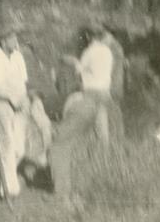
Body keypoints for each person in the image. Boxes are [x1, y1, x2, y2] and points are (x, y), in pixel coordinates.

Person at [0, 21, 50, 203]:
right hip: (2, 108)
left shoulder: (18, 57)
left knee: (20, 147)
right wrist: (7, 97)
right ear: (3, 41)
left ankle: (6, 178)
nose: (16, 40)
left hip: (21, 106)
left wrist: (30, 101)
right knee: (7, 147)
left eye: (16, 37)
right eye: (12, 38)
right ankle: (8, 189)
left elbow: (22, 84)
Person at [49, 22, 116, 207]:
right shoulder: (108, 51)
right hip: (105, 94)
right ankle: (100, 183)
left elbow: (79, 73)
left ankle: (67, 192)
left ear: (88, 37)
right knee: (101, 140)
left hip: (91, 94)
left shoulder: (89, 52)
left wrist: (70, 61)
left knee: (76, 140)